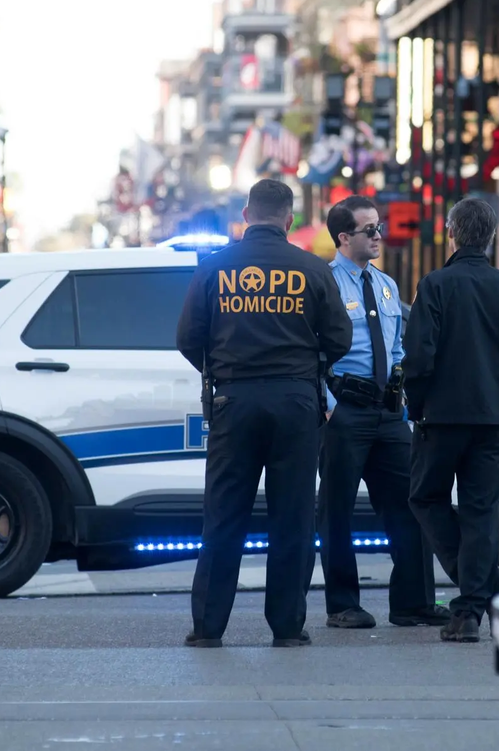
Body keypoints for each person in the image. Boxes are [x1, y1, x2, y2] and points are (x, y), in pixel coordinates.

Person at [176, 179, 353, 649]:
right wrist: (307, 366)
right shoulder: (312, 269)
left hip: (233, 402)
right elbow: (340, 339)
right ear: (289, 218)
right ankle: (288, 628)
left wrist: (220, 368)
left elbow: (187, 338)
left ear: (247, 214)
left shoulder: (214, 268)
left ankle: (209, 628)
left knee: (224, 516)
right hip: (296, 403)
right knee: (293, 518)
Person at [404, 197, 499, 643]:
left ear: (451, 233)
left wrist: (416, 406)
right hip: (495, 420)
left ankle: (473, 583)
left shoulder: (436, 285)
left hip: (441, 417)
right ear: (492, 237)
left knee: (426, 497)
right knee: (483, 511)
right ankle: (469, 608)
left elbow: (419, 357)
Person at [313, 196, 450, 631]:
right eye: (369, 230)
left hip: (387, 413)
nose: (378, 236)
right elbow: (312, 352)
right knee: (336, 511)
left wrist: (402, 396)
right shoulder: (327, 283)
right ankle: (342, 604)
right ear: (344, 237)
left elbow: (395, 347)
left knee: (412, 504)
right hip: (345, 410)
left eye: (379, 227)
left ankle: (413, 602)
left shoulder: (387, 285)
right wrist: (329, 405)